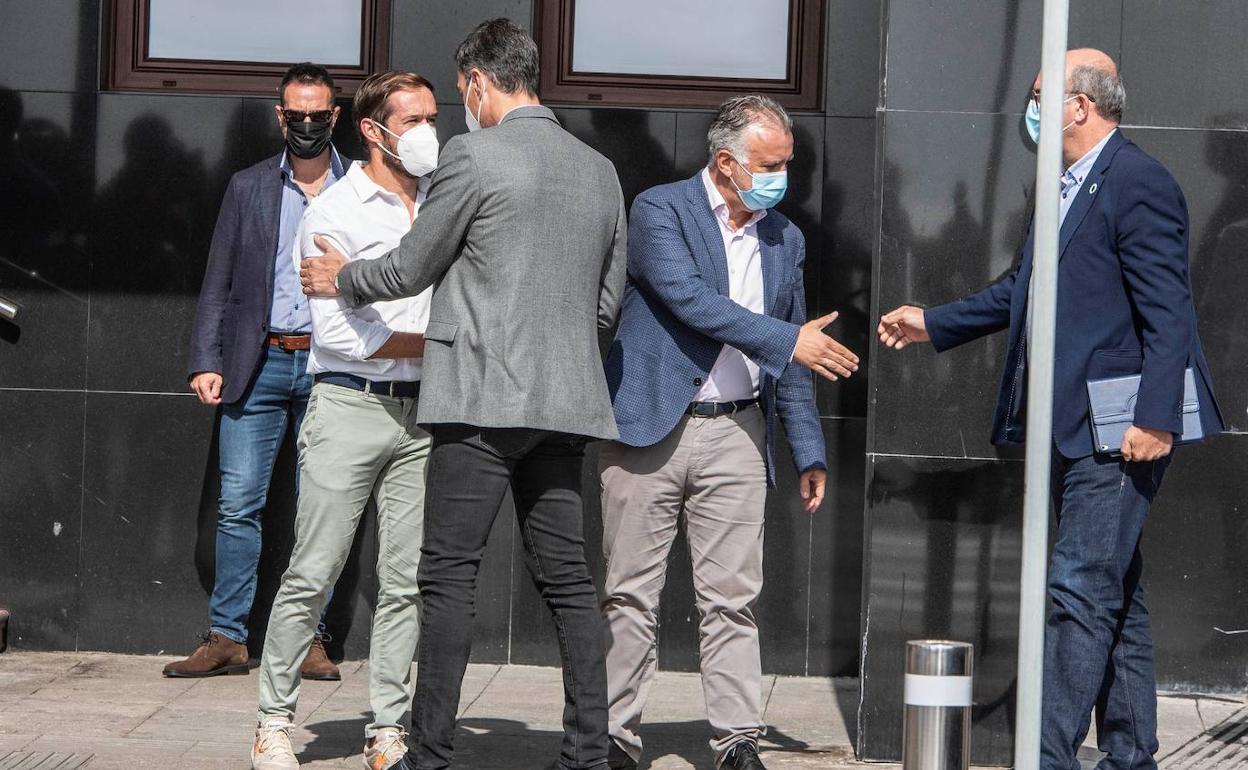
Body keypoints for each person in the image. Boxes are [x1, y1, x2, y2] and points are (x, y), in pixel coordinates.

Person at [877, 49, 1223, 770]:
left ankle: (1046, 757)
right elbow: (1022, 289)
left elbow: (1170, 312)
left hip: (1120, 427)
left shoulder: (1138, 182)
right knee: (1114, 592)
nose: (1030, 110)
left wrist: (1155, 418)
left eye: (1040, 96)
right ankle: (1131, 755)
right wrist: (933, 322)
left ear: (1079, 106)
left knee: (1078, 589)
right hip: (1072, 427)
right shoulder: (1060, 185)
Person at [299, 19, 627, 770]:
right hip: (565, 405)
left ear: (478, 82)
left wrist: (341, 277)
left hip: (477, 403)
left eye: (460, 92)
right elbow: (608, 304)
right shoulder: (600, 169)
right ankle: (587, 755)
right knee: (570, 584)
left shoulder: (473, 157)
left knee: (447, 578)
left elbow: (410, 267)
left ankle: (431, 755)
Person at [598, 95, 857, 770]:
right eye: (769, 166)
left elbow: (792, 357)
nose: (782, 178)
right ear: (725, 162)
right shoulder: (660, 210)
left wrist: (807, 448)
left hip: (738, 433)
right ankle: (615, 738)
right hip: (650, 427)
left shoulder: (785, 239)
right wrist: (789, 340)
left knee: (733, 601)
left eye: (787, 164)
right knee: (629, 595)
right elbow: (691, 299)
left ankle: (738, 741)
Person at [249, 70, 440, 770]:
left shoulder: (445, 203)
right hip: (350, 405)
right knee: (314, 568)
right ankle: (273, 721)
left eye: (432, 117)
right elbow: (341, 337)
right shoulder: (334, 211)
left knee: (405, 581)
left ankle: (387, 727)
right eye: (412, 120)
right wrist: (445, 343)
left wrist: (425, 341)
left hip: (426, 414)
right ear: (372, 129)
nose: (428, 132)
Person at [172, 62, 347, 680]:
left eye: (318, 114)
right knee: (238, 504)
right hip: (259, 363)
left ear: (335, 116)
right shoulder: (248, 186)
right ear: (280, 116)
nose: (307, 124)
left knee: (321, 508)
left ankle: (310, 639)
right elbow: (218, 280)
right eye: (297, 114)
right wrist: (206, 359)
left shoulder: (360, 188)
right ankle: (228, 635)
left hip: (331, 366)